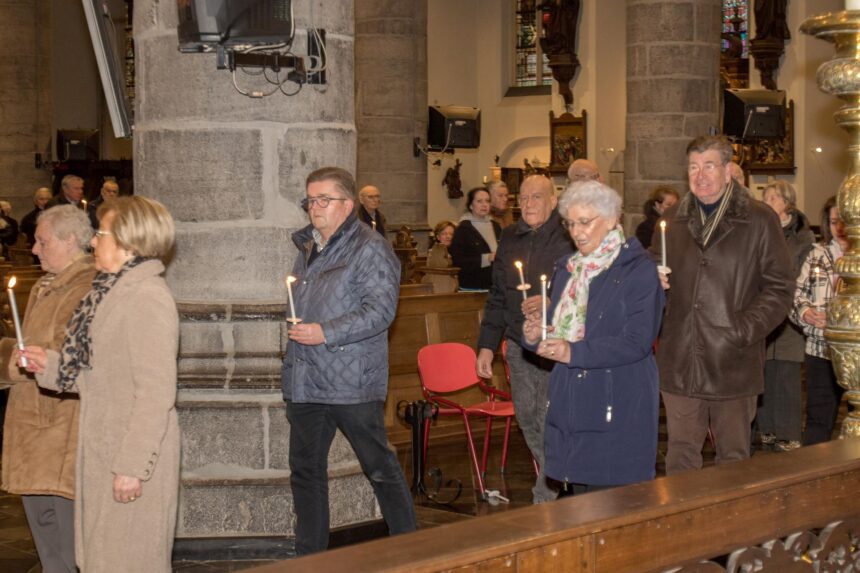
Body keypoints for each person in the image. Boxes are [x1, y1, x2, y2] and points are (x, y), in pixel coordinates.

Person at [21, 196, 180, 572]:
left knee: (127, 561)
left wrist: (132, 465)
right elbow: (102, 373)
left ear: (127, 241)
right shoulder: (109, 291)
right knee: (105, 560)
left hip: (130, 453)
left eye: (101, 233)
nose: (93, 241)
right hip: (103, 448)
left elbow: (156, 393)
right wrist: (50, 363)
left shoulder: (147, 296)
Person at [282, 167, 416, 555]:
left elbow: (380, 311)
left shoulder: (369, 247)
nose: (314, 207)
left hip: (350, 379)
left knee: (378, 466)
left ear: (348, 204)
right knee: (305, 472)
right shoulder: (307, 247)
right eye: (310, 200)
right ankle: (311, 557)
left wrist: (326, 331)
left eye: (324, 199)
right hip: (306, 379)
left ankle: (413, 548)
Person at [654, 135, 794, 474]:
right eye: (693, 167)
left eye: (709, 166)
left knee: (733, 460)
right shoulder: (672, 220)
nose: (700, 175)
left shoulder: (759, 219)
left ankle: (733, 527)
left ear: (728, 170)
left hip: (732, 359)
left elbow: (780, 288)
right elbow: (652, 266)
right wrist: (651, 278)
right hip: (681, 357)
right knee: (681, 455)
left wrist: (742, 329)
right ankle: (685, 524)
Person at [522, 179, 664, 493]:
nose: (576, 231)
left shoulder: (637, 270)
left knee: (612, 506)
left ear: (612, 219)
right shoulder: (569, 269)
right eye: (570, 223)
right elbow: (560, 328)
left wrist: (573, 352)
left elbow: (636, 342)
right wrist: (536, 332)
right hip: (572, 398)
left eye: (585, 221)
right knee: (578, 505)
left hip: (617, 399)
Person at [0, 205, 95, 573]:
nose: (34, 249)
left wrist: (11, 357)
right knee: (46, 537)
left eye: (42, 241)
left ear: (70, 239)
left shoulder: (85, 287)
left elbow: (66, 358)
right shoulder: (47, 284)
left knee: (65, 544)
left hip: (60, 431)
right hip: (35, 432)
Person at [475, 174, 573, 503]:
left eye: (536, 197)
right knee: (527, 415)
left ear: (553, 201)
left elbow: (581, 290)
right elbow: (499, 296)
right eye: (524, 198)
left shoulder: (567, 236)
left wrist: (550, 302)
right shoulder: (510, 236)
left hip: (556, 343)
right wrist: (487, 345)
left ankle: (548, 489)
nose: (528, 204)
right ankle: (559, 477)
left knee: (552, 416)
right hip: (519, 342)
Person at [757, 180, 814, 452]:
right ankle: (767, 429)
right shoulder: (760, 231)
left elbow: (798, 274)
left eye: (772, 197)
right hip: (765, 311)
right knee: (765, 373)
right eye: (765, 197)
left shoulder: (802, 237)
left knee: (788, 376)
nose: (767, 201)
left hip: (790, 313)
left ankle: (790, 433)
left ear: (786, 203)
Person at [791, 196, 847, 446]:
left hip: (853, 350)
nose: (840, 228)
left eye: (845, 221)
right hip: (820, 349)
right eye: (834, 222)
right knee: (818, 420)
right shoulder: (817, 255)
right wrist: (805, 313)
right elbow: (796, 295)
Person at [449, 187, 501, 290]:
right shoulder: (463, 229)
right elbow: (458, 261)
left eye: (487, 201)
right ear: (471, 205)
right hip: (472, 285)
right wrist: (487, 258)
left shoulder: (496, 226)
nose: (484, 205)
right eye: (479, 201)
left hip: (495, 284)